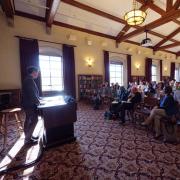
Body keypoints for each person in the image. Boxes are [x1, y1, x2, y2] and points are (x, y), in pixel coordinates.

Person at [21, 66, 40, 145]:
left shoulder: (28, 79)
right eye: (37, 72)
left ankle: (29, 136)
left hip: (28, 104)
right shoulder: (29, 80)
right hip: (30, 105)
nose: (38, 74)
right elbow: (32, 94)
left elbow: (33, 93)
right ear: (33, 72)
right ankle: (28, 140)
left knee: (28, 120)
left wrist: (39, 99)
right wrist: (39, 102)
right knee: (34, 120)